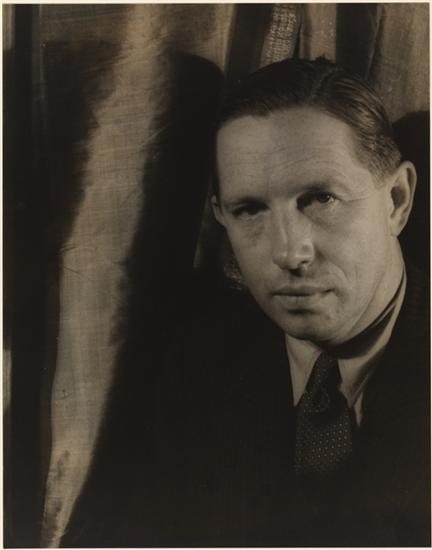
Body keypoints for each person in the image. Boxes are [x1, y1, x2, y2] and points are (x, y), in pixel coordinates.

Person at [62, 58, 430, 547]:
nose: (289, 253)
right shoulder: (193, 364)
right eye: (250, 209)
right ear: (221, 216)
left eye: (320, 198)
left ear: (397, 200)